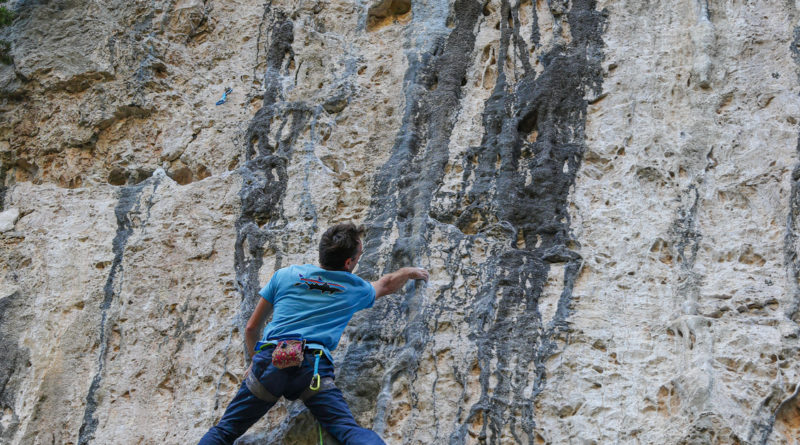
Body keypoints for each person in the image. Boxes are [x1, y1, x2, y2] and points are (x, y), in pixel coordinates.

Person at [199, 222, 429, 445]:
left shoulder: (285, 275)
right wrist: (408, 271)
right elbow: (387, 284)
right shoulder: (354, 288)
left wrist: (253, 361)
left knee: (225, 431)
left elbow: (251, 328)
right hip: (312, 367)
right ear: (349, 262)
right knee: (347, 430)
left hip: (271, 360)